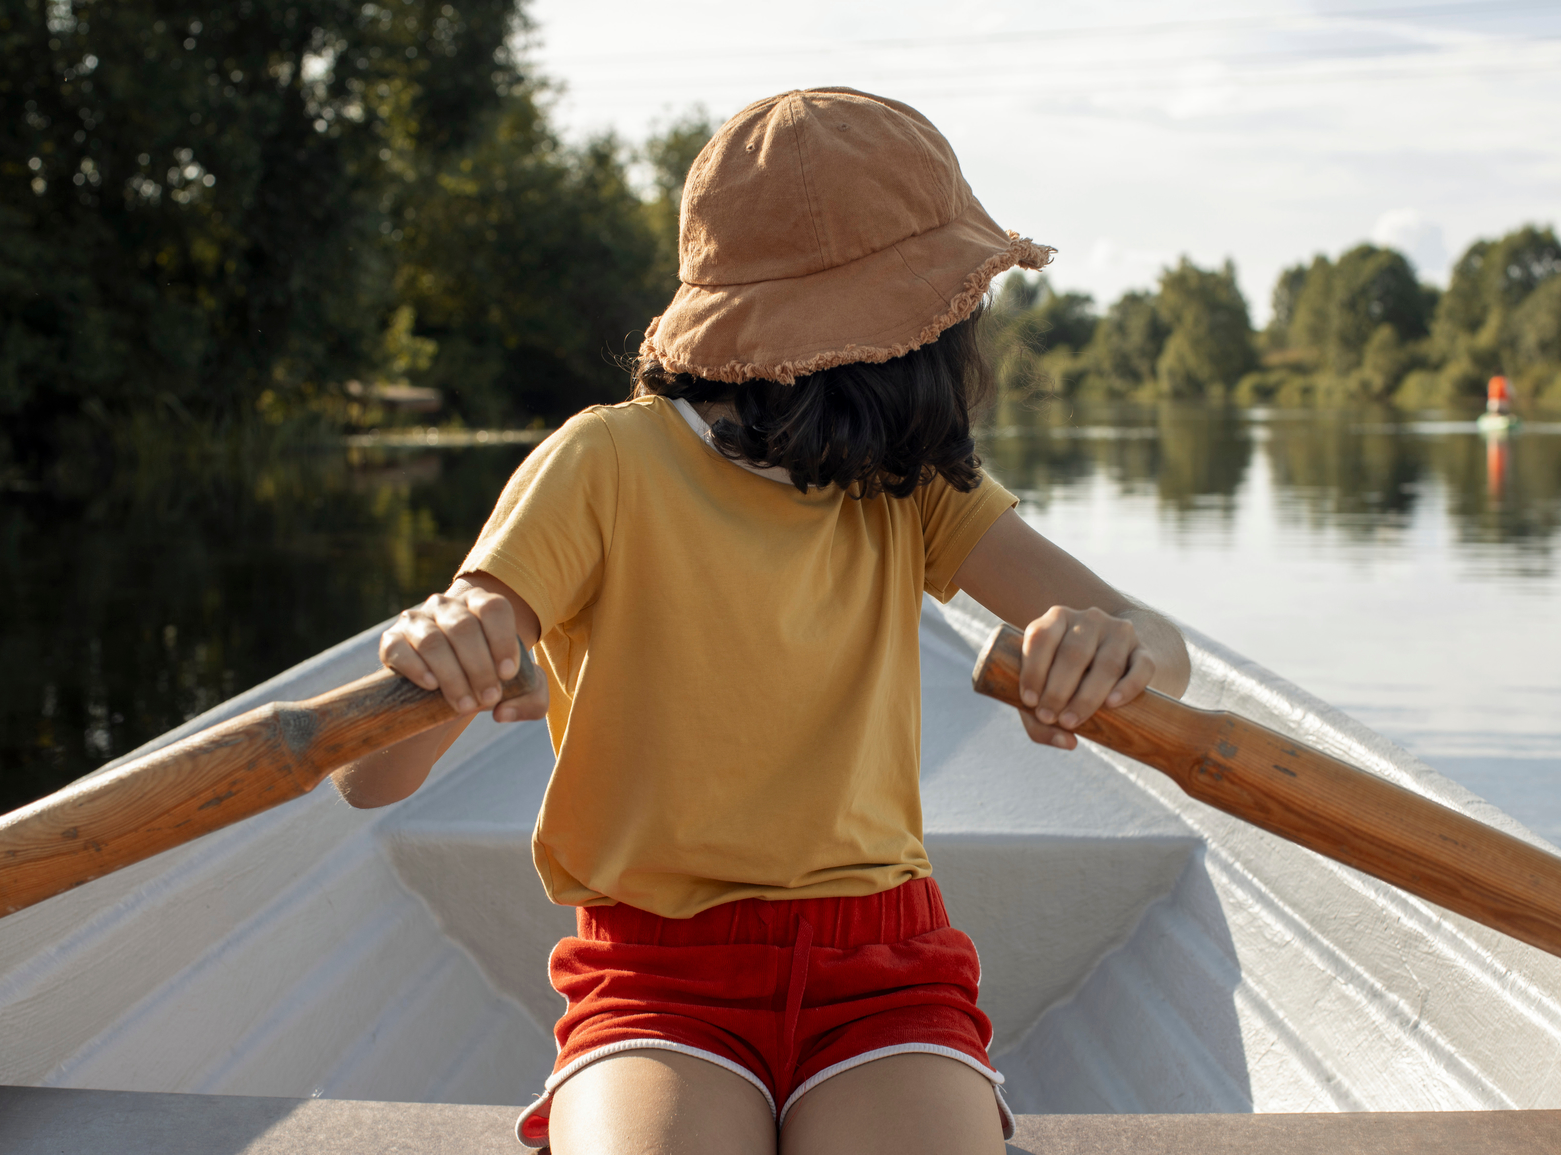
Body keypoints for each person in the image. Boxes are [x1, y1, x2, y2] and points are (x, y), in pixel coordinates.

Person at [330, 87, 1191, 1155]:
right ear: (910, 332)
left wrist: (1118, 645)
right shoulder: (603, 465)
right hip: (656, 979)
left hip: (886, 975)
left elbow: (1165, 649)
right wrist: (437, 652)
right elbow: (372, 779)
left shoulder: (909, 486)